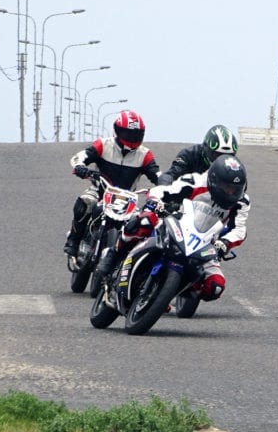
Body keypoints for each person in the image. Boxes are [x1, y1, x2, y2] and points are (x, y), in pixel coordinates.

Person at [97, 155, 250, 302]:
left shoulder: (241, 201)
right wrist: (155, 203)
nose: (231, 193)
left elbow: (239, 229)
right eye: (226, 187)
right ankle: (114, 253)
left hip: (205, 243)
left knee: (215, 286)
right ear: (214, 180)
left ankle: (168, 295)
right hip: (176, 223)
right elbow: (162, 190)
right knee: (144, 220)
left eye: (235, 189)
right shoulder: (195, 182)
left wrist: (224, 242)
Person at [63, 110, 160, 257]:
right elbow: (80, 156)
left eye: (136, 134)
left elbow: (157, 174)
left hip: (128, 199)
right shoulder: (103, 145)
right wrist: (80, 167)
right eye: (127, 133)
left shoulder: (144, 154)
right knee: (85, 202)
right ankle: (74, 240)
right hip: (100, 191)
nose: (132, 138)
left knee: (140, 225)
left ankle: (124, 260)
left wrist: (166, 186)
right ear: (117, 130)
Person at [158, 124, 239, 185]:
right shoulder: (188, 155)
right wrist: (163, 188)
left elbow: (241, 184)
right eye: (216, 155)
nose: (220, 160)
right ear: (206, 148)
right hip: (187, 200)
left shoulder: (234, 165)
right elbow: (171, 174)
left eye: (227, 155)